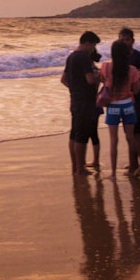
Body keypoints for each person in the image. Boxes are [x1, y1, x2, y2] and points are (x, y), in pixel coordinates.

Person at [99, 40, 140, 175]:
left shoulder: (105, 67)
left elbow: (103, 81)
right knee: (130, 138)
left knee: (113, 140)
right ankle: (133, 167)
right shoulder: (132, 70)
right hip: (128, 105)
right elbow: (136, 90)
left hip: (113, 106)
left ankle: (112, 172)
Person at [61, 31, 101, 176]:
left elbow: (63, 79)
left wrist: (75, 89)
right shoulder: (83, 57)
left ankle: (75, 166)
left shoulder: (71, 56)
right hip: (85, 100)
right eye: (93, 45)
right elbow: (90, 79)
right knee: (82, 135)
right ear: (88, 43)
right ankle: (80, 168)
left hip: (75, 99)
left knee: (74, 133)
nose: (93, 49)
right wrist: (101, 76)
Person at [118, 27, 140, 175]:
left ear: (132, 40)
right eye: (121, 39)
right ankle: (133, 163)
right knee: (128, 132)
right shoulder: (120, 57)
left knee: (136, 132)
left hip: (138, 99)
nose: (124, 42)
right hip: (125, 99)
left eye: (127, 39)